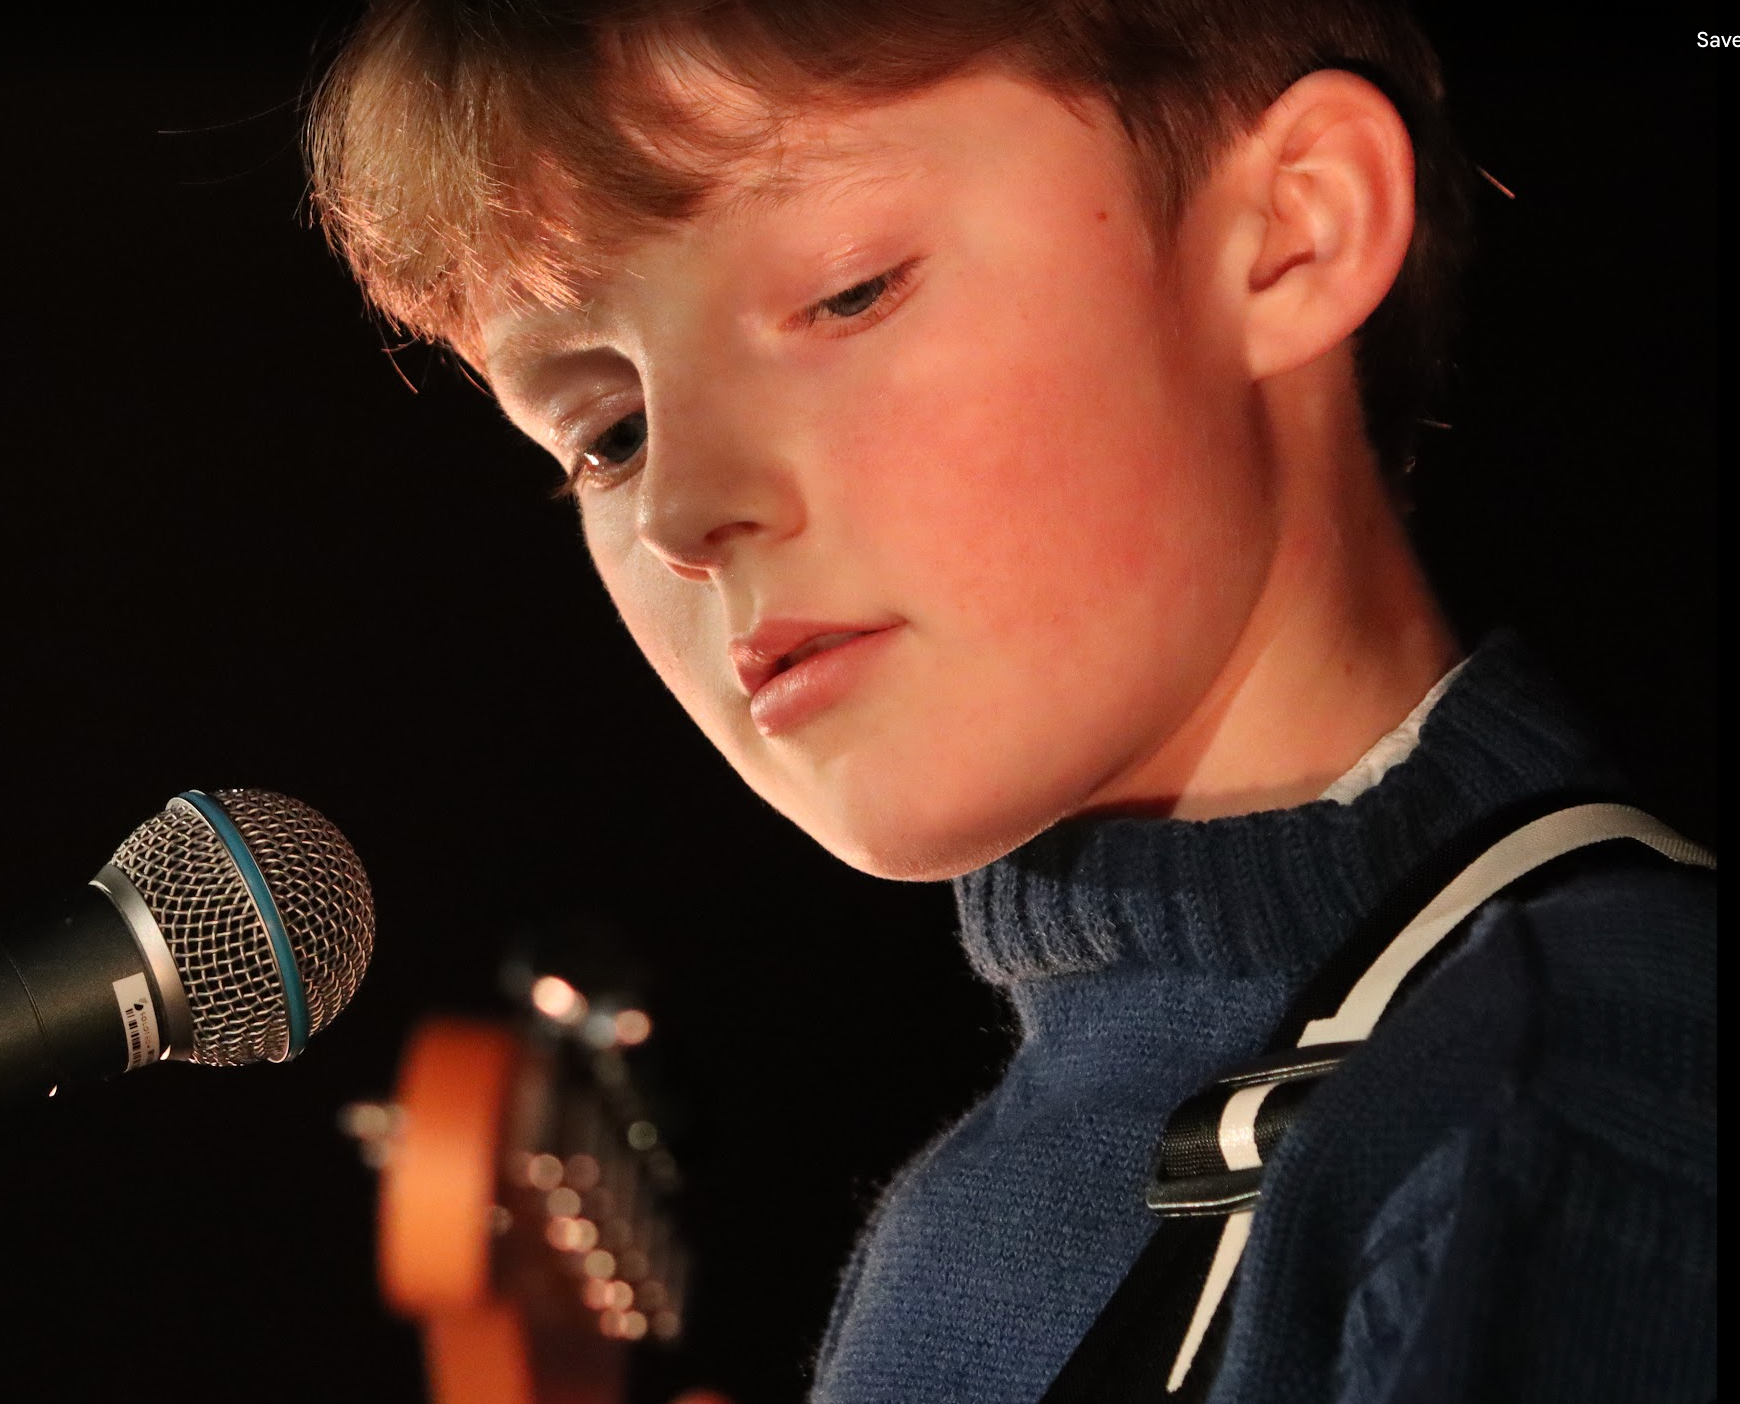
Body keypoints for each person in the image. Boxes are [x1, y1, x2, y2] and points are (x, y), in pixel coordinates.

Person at [305, 2, 1716, 1400]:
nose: (681, 503)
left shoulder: (1575, 1106)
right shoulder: (980, 1205)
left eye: (848, 292)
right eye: (608, 433)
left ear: (1297, 227)